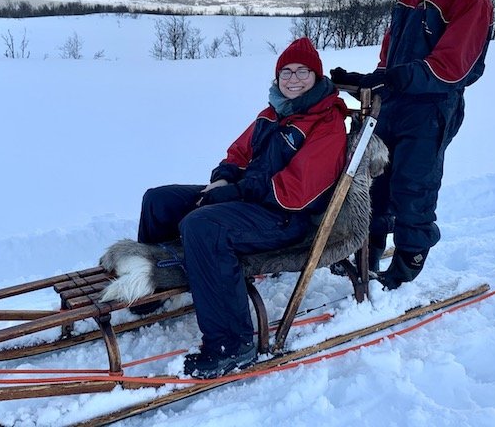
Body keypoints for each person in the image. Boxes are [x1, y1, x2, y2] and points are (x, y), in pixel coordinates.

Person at [137, 37, 349, 378]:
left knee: (203, 226)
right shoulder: (273, 112)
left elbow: (295, 191)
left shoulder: (327, 124)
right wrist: (223, 179)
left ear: (317, 77)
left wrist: (236, 191)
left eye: (303, 72)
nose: (293, 79)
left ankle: (232, 345)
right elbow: (238, 153)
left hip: (286, 218)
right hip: (252, 200)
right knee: (158, 201)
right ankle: (161, 286)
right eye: (286, 72)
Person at [330, 0, 493, 290]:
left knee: (412, 186)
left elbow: (453, 65)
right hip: (396, 102)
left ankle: (409, 260)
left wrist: (395, 80)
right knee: (375, 181)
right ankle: (367, 248)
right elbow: (391, 55)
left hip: (433, 105)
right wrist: (371, 78)